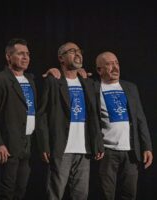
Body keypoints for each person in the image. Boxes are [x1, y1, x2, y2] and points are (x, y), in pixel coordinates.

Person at [45, 51, 153, 200]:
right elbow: (70, 78)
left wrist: (147, 146)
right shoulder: (92, 86)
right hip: (106, 152)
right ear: (99, 70)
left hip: (131, 151)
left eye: (116, 63)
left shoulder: (130, 87)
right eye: (108, 64)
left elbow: (140, 118)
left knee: (129, 194)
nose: (114, 67)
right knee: (105, 195)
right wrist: (54, 70)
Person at [36, 42, 104, 200]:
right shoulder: (52, 81)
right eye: (72, 51)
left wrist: (98, 142)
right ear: (61, 58)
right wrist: (44, 145)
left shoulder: (87, 82)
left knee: (81, 195)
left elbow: (94, 115)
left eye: (79, 51)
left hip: (84, 149)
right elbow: (41, 115)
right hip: (61, 148)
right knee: (54, 194)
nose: (78, 54)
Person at [0, 38, 36, 200]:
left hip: (27, 143)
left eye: (27, 54)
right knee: (7, 191)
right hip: (9, 144)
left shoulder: (30, 79)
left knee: (21, 190)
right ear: (8, 56)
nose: (25, 57)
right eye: (20, 54)